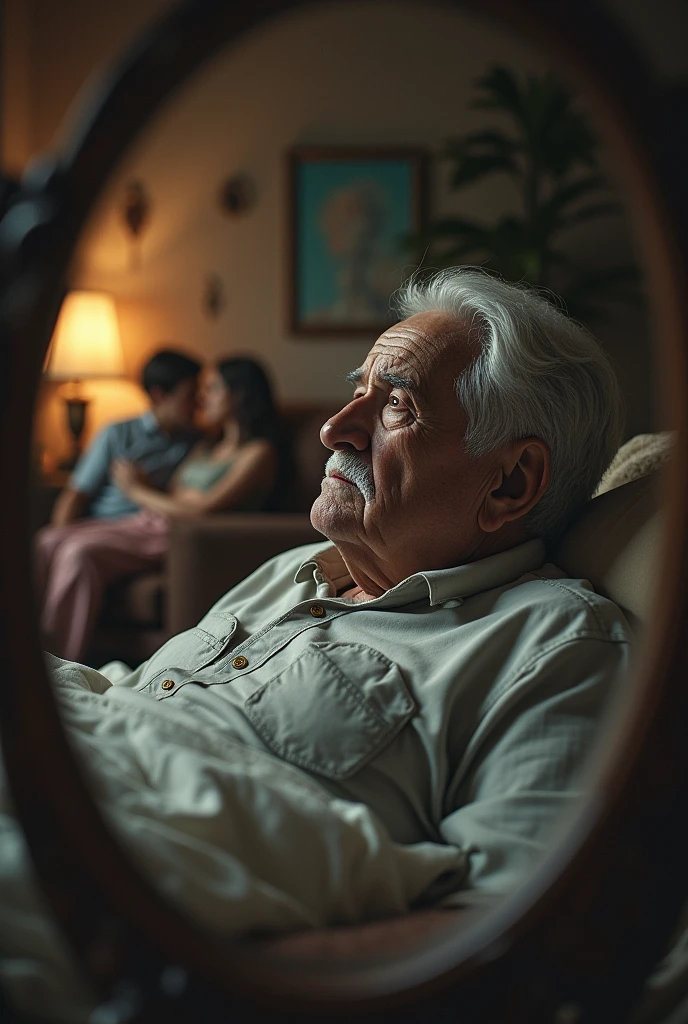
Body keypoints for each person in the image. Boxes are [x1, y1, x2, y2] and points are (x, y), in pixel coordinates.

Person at [2, 269, 635, 1019]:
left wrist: (200, 980)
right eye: (357, 387)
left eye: (396, 403)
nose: (338, 425)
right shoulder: (289, 570)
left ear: (510, 483)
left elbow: (515, 933)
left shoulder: (554, 642)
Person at [35, 348, 201, 662]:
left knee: (78, 553)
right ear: (159, 394)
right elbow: (75, 494)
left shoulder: (194, 443)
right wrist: (62, 531)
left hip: (144, 528)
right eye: (190, 395)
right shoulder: (118, 433)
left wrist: (142, 489)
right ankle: (23, 649)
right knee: (45, 541)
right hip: (101, 523)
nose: (197, 404)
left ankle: (56, 663)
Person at [110, 356, 281, 520]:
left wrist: (134, 489)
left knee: (86, 547)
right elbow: (173, 495)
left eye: (212, 388)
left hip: (185, 532)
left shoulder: (258, 452)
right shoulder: (205, 445)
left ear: (239, 394)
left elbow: (203, 510)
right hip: (154, 520)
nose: (202, 397)